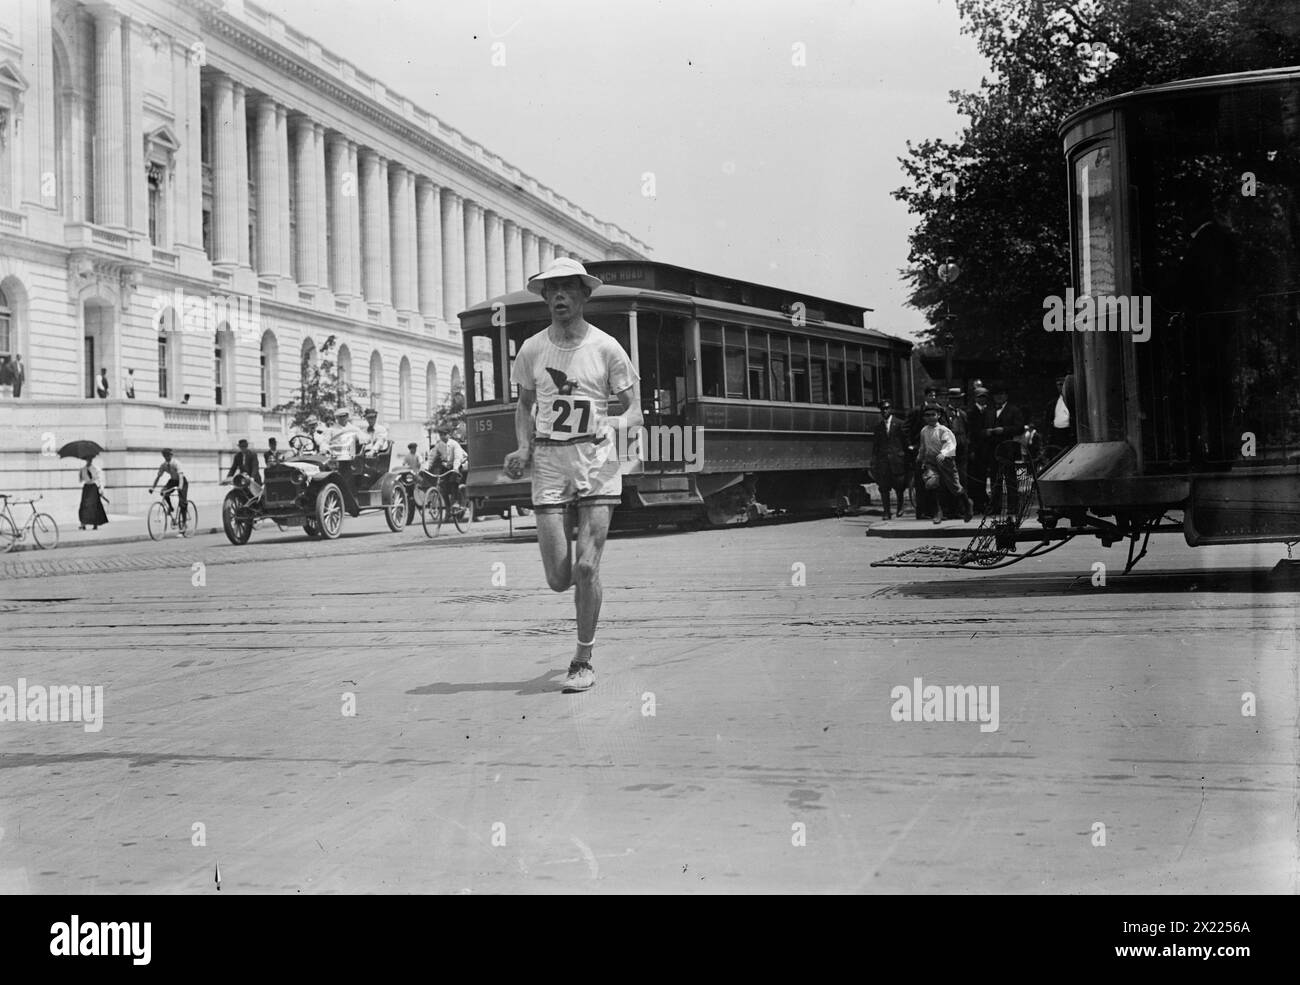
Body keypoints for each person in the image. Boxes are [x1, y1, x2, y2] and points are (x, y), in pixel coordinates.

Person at [503, 257, 641, 694]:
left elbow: (635, 411)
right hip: (548, 463)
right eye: (552, 290)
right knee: (559, 578)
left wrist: (611, 426)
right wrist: (523, 446)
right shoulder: (531, 349)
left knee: (586, 567)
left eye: (568, 288)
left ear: (584, 295)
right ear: (544, 298)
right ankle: (579, 637)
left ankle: (582, 660)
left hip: (597, 464)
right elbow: (524, 406)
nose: (559, 296)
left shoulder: (606, 348)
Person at [916, 405, 973, 524]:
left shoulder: (943, 430)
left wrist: (944, 453)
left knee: (955, 488)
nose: (930, 418)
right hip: (931, 462)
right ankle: (937, 511)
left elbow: (951, 444)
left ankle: (967, 504)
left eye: (933, 415)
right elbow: (923, 447)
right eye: (927, 415)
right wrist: (920, 458)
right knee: (931, 483)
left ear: (938, 416)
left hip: (946, 462)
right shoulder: (924, 431)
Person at [987, 387, 1025, 515]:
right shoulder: (990, 411)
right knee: (995, 479)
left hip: (1009, 448)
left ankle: (1013, 507)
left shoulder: (1013, 410)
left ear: (1006, 396)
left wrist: (1004, 430)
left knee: (1010, 479)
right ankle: (995, 507)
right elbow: (983, 427)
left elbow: (1019, 428)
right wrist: (987, 432)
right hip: (993, 449)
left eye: (1001, 394)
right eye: (996, 395)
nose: (999, 397)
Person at [871, 400, 908, 520]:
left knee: (899, 486)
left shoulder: (899, 424)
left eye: (886, 408)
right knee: (884, 487)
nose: (884, 411)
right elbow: (876, 446)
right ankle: (886, 512)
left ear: (890, 409)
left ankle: (900, 507)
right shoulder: (878, 427)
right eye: (882, 409)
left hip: (897, 460)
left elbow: (905, 442)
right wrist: (874, 461)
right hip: (883, 462)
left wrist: (905, 456)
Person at [429, 426, 469, 515]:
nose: (442, 436)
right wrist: (426, 467)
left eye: (444, 434)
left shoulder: (454, 444)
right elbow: (432, 456)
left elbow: (458, 458)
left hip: (460, 464)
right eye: (441, 435)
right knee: (442, 486)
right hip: (447, 466)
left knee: (453, 481)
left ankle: (456, 502)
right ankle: (448, 509)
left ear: (449, 435)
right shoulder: (439, 445)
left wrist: (455, 468)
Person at [148, 448, 189, 534]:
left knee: (182, 503)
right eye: (165, 455)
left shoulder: (176, 463)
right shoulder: (164, 466)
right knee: (163, 492)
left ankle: (184, 524)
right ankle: (170, 507)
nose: (167, 457)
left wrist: (180, 487)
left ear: (171, 455)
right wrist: (153, 487)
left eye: (168, 455)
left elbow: (181, 476)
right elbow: (158, 477)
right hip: (173, 481)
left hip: (182, 482)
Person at [966, 386, 992, 514]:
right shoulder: (971, 412)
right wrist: (971, 450)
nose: (982, 399)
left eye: (984, 396)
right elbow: (970, 432)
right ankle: (977, 504)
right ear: (975, 398)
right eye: (980, 396)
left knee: (982, 477)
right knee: (975, 477)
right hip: (976, 450)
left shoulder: (989, 411)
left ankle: (982, 503)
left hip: (987, 449)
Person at [77, 454, 108, 530]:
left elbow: (100, 479)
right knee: (84, 506)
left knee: (94, 506)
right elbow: (80, 480)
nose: (89, 461)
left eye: (90, 459)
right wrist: (80, 475)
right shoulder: (83, 469)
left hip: (93, 488)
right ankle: (83, 524)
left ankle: (95, 524)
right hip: (86, 488)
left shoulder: (96, 469)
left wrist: (101, 490)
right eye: (87, 459)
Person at [329, 409, 360, 481]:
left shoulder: (354, 429)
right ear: (337, 418)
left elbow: (364, 439)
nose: (343, 418)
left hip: (349, 457)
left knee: (346, 474)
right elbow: (324, 441)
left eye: (344, 416)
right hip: (334, 456)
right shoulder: (332, 430)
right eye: (340, 417)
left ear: (347, 416)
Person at [1048, 375, 1073, 450]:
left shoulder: (1073, 401)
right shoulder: (1053, 403)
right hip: (1057, 435)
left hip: (1069, 435)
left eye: (1062, 384)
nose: (1060, 387)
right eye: (1058, 385)